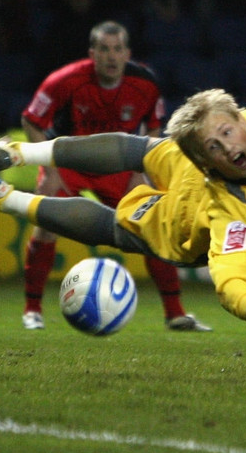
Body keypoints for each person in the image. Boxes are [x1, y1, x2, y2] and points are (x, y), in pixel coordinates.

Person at [0, 89, 246, 333]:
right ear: (204, 160)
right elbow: (231, 280)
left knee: (141, 150)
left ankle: (3, 178)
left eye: (227, 131)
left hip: (194, 183)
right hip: (179, 220)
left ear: (241, 119)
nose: (229, 145)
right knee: (115, 224)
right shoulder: (232, 213)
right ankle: (7, 172)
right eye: (214, 145)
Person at [17, 21, 210, 332]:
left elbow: (154, 128)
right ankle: (32, 311)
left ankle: (175, 314)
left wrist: (139, 171)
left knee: (155, 226)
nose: (111, 56)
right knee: (47, 225)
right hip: (69, 160)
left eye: (117, 49)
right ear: (92, 53)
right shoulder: (65, 80)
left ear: (127, 53)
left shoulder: (145, 83)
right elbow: (31, 119)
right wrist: (50, 171)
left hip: (117, 165)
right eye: (104, 50)